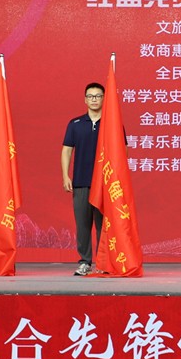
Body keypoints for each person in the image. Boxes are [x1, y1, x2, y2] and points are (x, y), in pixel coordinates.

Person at [61, 82, 106, 276]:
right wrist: (66, 175)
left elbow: (123, 151)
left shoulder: (111, 123)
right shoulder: (75, 124)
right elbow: (66, 151)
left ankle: (104, 262)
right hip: (81, 182)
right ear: (85, 99)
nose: (94, 99)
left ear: (104, 99)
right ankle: (85, 262)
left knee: (104, 226)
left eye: (98, 96)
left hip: (104, 184)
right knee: (83, 225)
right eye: (90, 96)